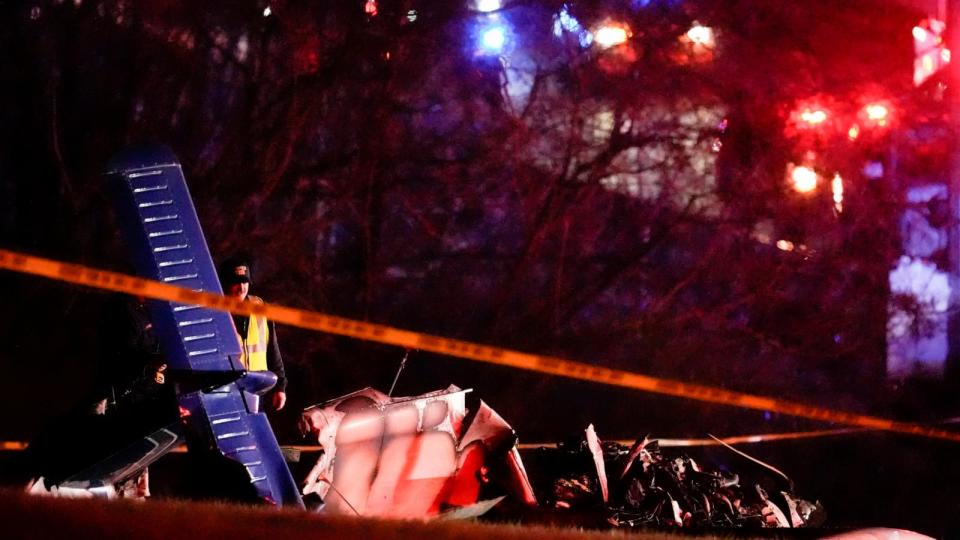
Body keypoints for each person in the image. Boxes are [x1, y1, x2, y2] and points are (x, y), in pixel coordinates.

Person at [218, 256, 287, 411]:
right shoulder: (216, 313)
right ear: (225, 284)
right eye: (236, 283)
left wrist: (280, 387)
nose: (242, 287)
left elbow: (273, 352)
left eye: (245, 282)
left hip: (258, 392)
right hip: (226, 393)